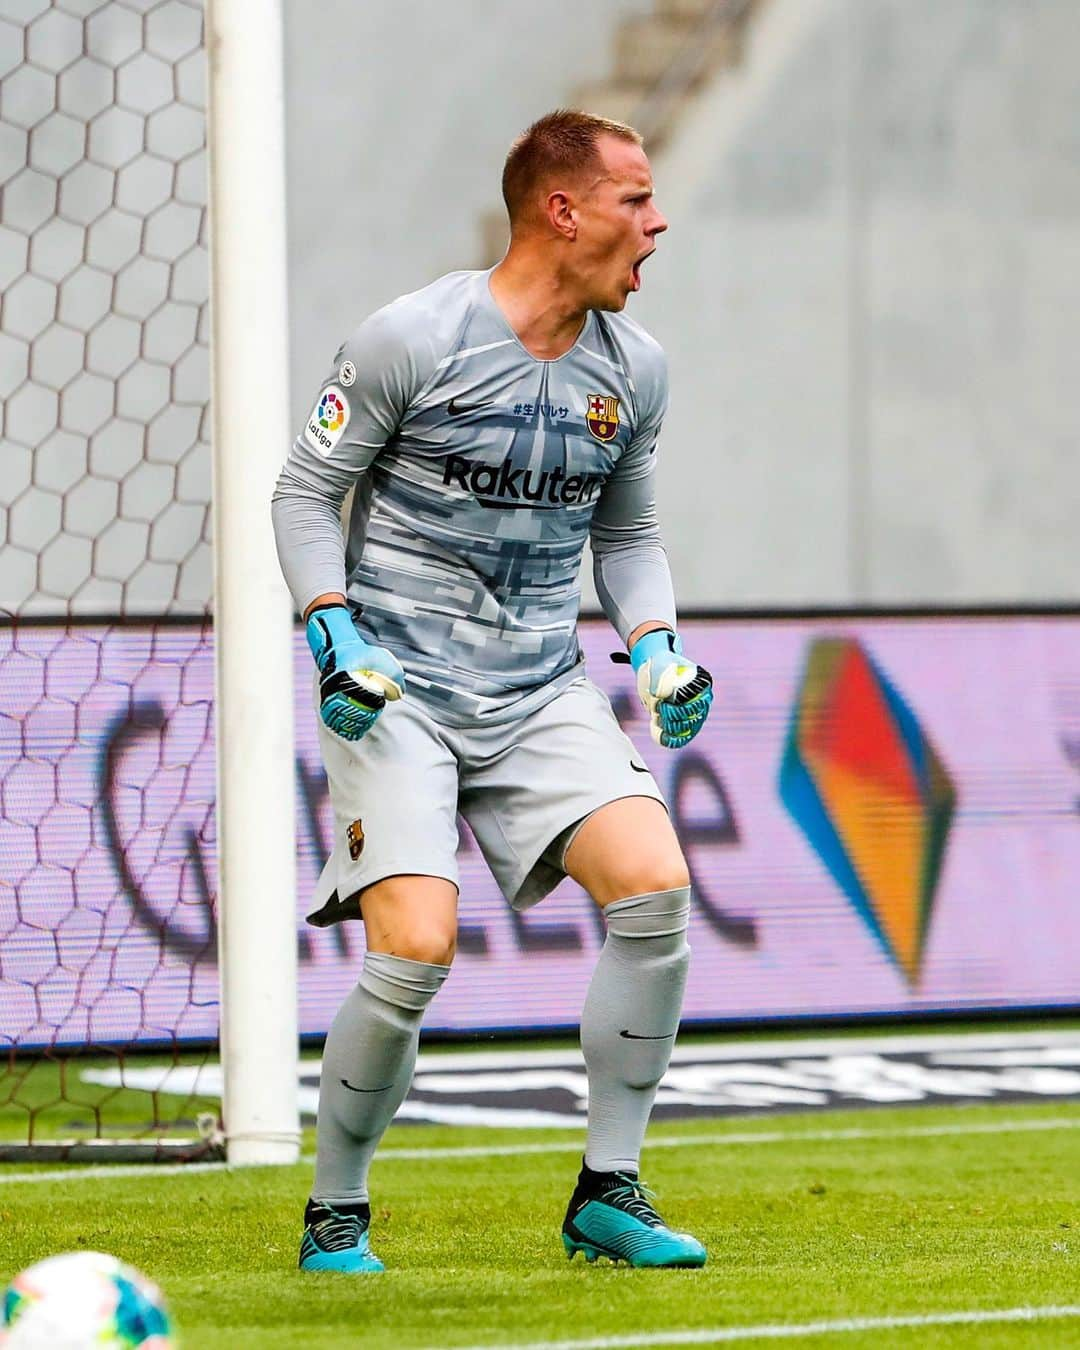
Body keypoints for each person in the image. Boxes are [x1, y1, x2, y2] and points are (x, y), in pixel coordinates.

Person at [272, 109, 714, 1273]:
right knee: (414, 947)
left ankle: (608, 1191)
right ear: (562, 212)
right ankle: (336, 1212)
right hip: (397, 685)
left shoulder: (638, 371)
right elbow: (303, 498)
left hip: (538, 687)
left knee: (657, 886)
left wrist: (657, 644)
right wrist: (331, 632)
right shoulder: (412, 338)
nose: (656, 222)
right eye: (634, 199)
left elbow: (629, 535)